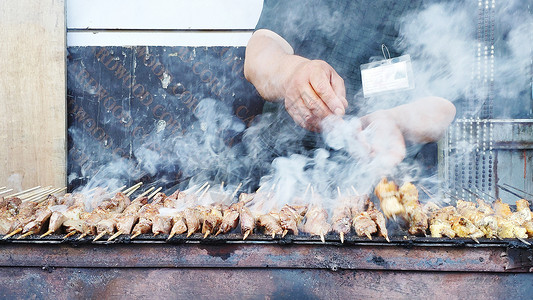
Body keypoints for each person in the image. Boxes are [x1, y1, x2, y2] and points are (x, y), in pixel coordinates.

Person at [244, 0, 456, 168]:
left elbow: (448, 101)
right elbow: (260, 51)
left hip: (387, 173)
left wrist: (395, 120)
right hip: (285, 171)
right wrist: (291, 72)